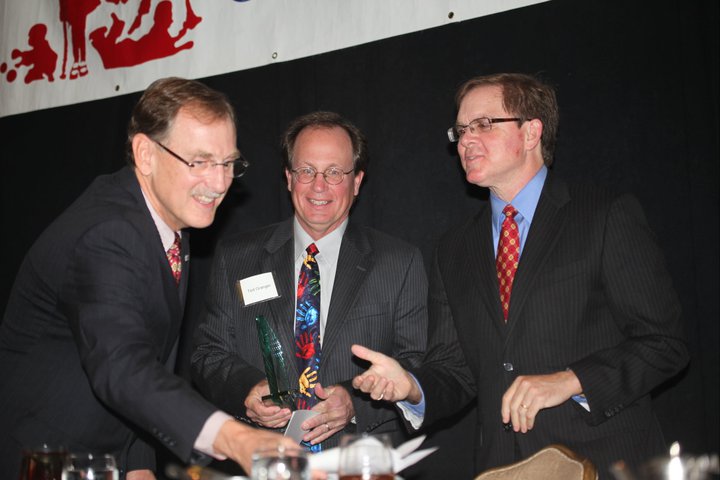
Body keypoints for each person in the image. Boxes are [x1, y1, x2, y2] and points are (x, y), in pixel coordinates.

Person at [351, 73, 689, 477]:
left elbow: (665, 344)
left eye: (483, 125)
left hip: (605, 462)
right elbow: (456, 369)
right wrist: (411, 387)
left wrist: (571, 380)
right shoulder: (454, 248)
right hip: (504, 466)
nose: (465, 141)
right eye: (460, 130)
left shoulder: (603, 216)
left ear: (531, 132)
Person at [0, 77, 295, 480]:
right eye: (200, 162)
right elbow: (122, 367)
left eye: (228, 163)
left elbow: (148, 358)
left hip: (101, 459)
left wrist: (137, 464)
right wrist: (236, 439)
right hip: (42, 460)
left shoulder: (171, 222)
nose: (220, 183)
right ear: (146, 154)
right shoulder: (108, 232)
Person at [191, 111, 427, 456]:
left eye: (334, 172)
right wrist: (246, 389)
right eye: (306, 171)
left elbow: (416, 363)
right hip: (261, 459)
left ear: (357, 182)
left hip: (359, 463)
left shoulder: (398, 262)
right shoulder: (237, 258)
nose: (319, 185)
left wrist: (354, 402)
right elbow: (208, 354)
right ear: (288, 178)